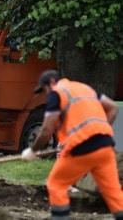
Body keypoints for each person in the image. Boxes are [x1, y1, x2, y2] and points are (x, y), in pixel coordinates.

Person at [21, 69, 123, 219]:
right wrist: (100, 130)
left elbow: (47, 129)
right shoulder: (85, 88)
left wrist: (32, 150)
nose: (46, 94)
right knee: (114, 194)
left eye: (44, 90)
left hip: (82, 149)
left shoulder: (57, 94)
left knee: (56, 184)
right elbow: (112, 107)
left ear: (51, 83)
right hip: (105, 147)